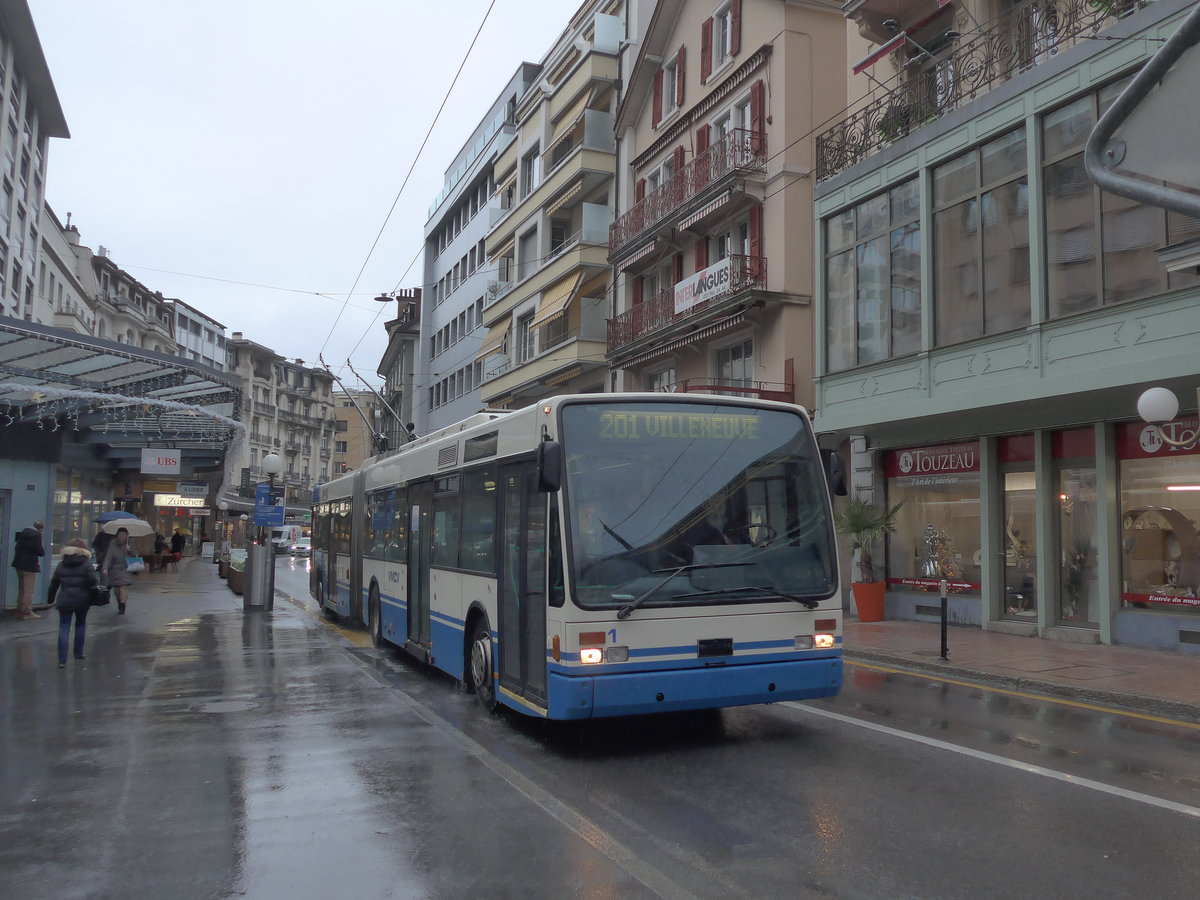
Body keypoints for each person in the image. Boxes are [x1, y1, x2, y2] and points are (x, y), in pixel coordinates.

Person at [47, 538, 99, 668]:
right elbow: (92, 582)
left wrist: (50, 599)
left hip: (64, 599)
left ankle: (62, 659)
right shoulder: (87, 564)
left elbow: (54, 584)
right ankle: (78, 654)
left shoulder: (61, 565)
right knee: (80, 625)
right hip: (82, 599)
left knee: (64, 627)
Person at [11, 521, 46, 619]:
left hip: (18, 564)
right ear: (41, 529)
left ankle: (19, 610)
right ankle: (27, 611)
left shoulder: (23, 533)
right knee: (29, 590)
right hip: (29, 566)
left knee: (21, 588)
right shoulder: (36, 535)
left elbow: (17, 548)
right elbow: (40, 552)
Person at [102, 526, 134, 615]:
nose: (122, 536)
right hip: (115, 569)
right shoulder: (113, 543)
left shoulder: (130, 543)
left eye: (124, 534)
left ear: (127, 535)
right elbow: (109, 556)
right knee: (117, 589)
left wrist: (130, 550)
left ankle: (122, 606)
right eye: (120, 534)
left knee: (123, 587)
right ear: (117, 535)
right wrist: (105, 567)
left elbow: (136, 555)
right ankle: (119, 602)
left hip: (126, 568)